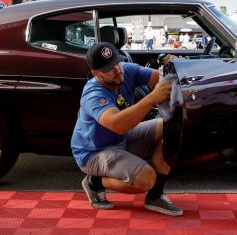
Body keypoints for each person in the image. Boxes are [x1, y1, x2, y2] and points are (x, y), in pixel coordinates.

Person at [71, 42, 183, 216]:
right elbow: (117, 123)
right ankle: (95, 182)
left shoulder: (125, 70)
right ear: (96, 73)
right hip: (93, 152)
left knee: (171, 125)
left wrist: (175, 68)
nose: (117, 70)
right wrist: (152, 98)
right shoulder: (93, 94)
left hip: (120, 138)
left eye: (117, 62)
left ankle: (155, 196)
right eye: (109, 68)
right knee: (147, 179)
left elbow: (161, 78)